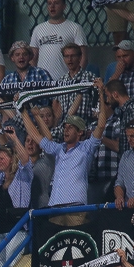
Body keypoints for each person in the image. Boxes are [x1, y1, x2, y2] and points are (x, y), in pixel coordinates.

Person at [23, 78, 109, 207]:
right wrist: (22, 110)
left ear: (80, 132)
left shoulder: (86, 148)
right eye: (65, 127)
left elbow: (101, 126)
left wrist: (101, 94)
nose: (66, 130)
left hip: (76, 205)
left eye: (70, 127)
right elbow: (35, 135)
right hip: (55, 205)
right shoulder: (58, 149)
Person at [0, 129, 32, 265]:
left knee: (12, 265)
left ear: (11, 159)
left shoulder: (23, 176)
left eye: (2, 158)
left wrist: (15, 139)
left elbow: (26, 159)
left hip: (15, 229)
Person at [29, 0, 87, 80]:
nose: (52, 6)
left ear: (64, 6)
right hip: (43, 81)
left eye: (56, 3)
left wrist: (76, 78)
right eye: (49, 4)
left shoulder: (75, 28)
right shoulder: (38, 29)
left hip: (66, 80)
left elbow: (83, 56)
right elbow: (33, 57)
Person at [1, 41, 53, 107]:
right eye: (17, 55)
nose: (21, 57)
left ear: (30, 57)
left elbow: (54, 99)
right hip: (16, 116)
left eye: (25, 54)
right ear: (12, 58)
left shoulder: (41, 73)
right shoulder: (7, 79)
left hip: (40, 115)